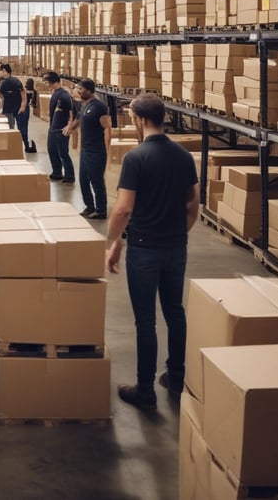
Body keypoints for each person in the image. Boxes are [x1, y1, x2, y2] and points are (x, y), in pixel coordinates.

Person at [105, 93, 199, 411]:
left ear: (142, 120)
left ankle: (145, 390)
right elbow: (192, 207)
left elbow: (123, 210)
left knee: (145, 320)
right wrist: (175, 236)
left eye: (132, 116)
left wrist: (112, 242)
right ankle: (176, 376)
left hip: (144, 250)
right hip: (176, 247)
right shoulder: (184, 157)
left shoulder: (136, 158)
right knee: (175, 312)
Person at [76, 78, 112, 220]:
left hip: (96, 151)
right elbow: (80, 123)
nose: (79, 91)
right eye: (79, 89)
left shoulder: (99, 107)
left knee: (96, 180)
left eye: (82, 89)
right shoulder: (84, 105)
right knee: (83, 180)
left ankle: (101, 210)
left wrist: (107, 149)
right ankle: (89, 206)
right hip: (86, 150)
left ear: (90, 91)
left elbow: (107, 129)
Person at [42, 72, 77, 183]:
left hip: (61, 130)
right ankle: (57, 173)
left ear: (53, 82)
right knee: (52, 150)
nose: (46, 84)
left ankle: (69, 175)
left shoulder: (64, 96)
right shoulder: (55, 93)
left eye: (47, 82)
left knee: (63, 153)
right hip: (53, 128)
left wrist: (69, 126)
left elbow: (73, 112)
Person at [0, 64, 28, 150]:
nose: (0, 73)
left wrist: (23, 105)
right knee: (13, 127)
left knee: (18, 128)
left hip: (16, 108)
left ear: (4, 71)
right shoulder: (11, 81)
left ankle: (22, 146)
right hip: (11, 108)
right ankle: (17, 146)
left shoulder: (9, 82)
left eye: (1, 71)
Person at [22, 77, 38, 153]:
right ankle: (26, 144)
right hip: (27, 107)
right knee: (25, 126)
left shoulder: (23, 90)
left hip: (22, 106)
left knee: (21, 126)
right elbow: (34, 102)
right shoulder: (34, 91)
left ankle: (25, 143)